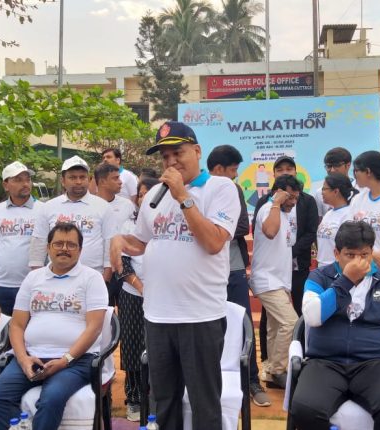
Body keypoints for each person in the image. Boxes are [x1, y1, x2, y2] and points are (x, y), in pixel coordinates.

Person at [110, 121, 241, 430]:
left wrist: (183, 196)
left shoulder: (221, 188)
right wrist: (120, 240)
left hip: (200, 315)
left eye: (178, 153)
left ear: (197, 151)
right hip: (158, 315)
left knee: (203, 402)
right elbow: (142, 242)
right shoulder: (155, 195)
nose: (171, 162)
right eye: (165, 156)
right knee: (163, 401)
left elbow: (213, 242)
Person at [290, 221, 380, 430]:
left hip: (375, 363)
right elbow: (312, 317)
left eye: (364, 255)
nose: (358, 261)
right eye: (350, 255)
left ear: (372, 253)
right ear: (336, 254)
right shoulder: (320, 277)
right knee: (305, 408)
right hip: (325, 362)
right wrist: (346, 281)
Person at [0, 222, 108, 429]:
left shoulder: (92, 278)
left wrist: (65, 360)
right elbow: (17, 325)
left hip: (76, 360)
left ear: (80, 250)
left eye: (71, 245)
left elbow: (94, 328)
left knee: (51, 398)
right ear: (48, 247)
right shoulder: (33, 278)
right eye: (58, 243)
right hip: (32, 356)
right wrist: (23, 359)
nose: (64, 249)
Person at [207, 145, 271, 407]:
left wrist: (211, 231)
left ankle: (251, 380)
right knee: (207, 328)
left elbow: (243, 225)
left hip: (233, 268)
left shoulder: (233, 190)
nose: (235, 175)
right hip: (205, 272)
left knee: (243, 324)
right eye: (233, 170)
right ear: (219, 169)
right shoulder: (195, 192)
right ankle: (212, 381)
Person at [250, 174, 301, 390]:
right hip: (266, 279)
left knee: (275, 327)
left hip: (280, 280)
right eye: (290, 197)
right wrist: (276, 203)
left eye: (296, 197)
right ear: (277, 193)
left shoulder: (287, 213)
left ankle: (271, 371)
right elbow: (270, 232)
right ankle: (279, 369)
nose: (293, 202)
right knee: (290, 322)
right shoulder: (267, 209)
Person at [117, 177, 158, 421]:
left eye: (149, 193)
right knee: (133, 347)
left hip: (164, 298)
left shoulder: (167, 224)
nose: (144, 198)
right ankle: (134, 398)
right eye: (141, 194)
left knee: (159, 348)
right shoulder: (127, 225)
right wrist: (142, 289)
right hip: (133, 295)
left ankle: (156, 397)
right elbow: (122, 264)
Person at [29, 156, 109, 275]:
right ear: (63, 181)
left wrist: (106, 277)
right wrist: (38, 276)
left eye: (82, 177)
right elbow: (38, 242)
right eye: (72, 177)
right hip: (56, 276)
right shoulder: (49, 207)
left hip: (93, 276)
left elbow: (110, 243)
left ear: (89, 179)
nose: (78, 182)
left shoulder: (103, 206)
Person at [0, 161, 42, 316]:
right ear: (6, 185)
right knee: (2, 328)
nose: (25, 184)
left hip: (32, 285)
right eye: (18, 180)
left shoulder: (43, 210)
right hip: (1, 285)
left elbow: (49, 247)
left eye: (27, 179)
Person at [93, 162, 136, 306]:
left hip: (123, 268)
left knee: (122, 312)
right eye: (115, 178)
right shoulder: (90, 206)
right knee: (103, 310)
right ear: (102, 182)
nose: (120, 182)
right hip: (99, 270)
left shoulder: (127, 205)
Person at [316, 173, 357, 267]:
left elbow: (349, 246)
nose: (322, 192)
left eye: (324, 189)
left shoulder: (349, 215)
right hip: (323, 266)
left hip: (338, 267)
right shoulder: (329, 213)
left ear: (336, 191)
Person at [314, 147, 364, 217]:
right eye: (329, 166)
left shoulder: (361, 188)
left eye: (336, 165)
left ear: (348, 165)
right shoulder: (320, 193)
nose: (332, 170)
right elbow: (320, 219)